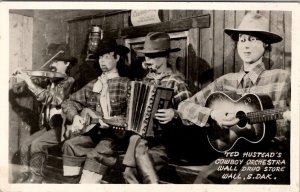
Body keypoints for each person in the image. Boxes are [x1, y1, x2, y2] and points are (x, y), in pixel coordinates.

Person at [178, 12, 291, 184]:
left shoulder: (282, 78)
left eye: (252, 39)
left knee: (238, 185)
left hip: (271, 155)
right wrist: (213, 114)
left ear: (265, 44)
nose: (246, 46)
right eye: (242, 40)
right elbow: (184, 106)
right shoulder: (225, 81)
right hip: (234, 153)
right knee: (202, 180)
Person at [122, 32, 192, 184]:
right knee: (129, 172)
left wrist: (174, 114)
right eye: (146, 56)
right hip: (143, 143)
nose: (148, 61)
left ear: (166, 56)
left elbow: (192, 114)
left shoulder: (176, 82)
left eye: (152, 56)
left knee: (133, 171)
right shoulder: (145, 80)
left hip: (165, 145)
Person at [61, 37, 131, 183]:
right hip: (94, 135)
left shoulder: (126, 84)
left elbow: (130, 117)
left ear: (117, 57)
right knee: (70, 145)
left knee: (96, 153)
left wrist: (111, 122)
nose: (102, 61)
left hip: (116, 139)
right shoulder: (94, 84)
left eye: (106, 57)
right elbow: (69, 102)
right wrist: (75, 116)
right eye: (100, 57)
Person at [13, 52, 77, 183]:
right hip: (49, 126)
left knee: (37, 144)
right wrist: (21, 76)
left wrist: (28, 80)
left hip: (62, 127)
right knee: (25, 145)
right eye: (52, 62)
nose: (52, 65)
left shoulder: (69, 81)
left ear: (67, 64)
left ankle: (36, 178)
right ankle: (25, 175)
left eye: (57, 62)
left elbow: (51, 98)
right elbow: (23, 87)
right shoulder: (49, 81)